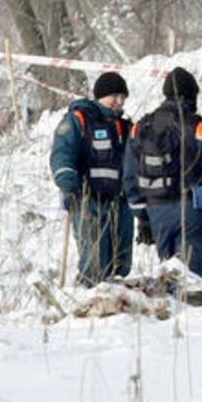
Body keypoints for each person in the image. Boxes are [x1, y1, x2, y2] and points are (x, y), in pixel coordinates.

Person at [126, 67, 202, 279]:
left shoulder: (140, 128)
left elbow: (130, 176)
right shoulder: (201, 129)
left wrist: (142, 217)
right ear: (191, 96)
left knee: (169, 276)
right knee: (192, 279)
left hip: (157, 211)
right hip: (194, 210)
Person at [49, 71, 135, 286]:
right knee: (95, 261)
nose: (118, 101)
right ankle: (87, 296)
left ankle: (115, 305)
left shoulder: (125, 128)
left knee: (120, 262)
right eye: (113, 96)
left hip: (120, 202)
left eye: (122, 97)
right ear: (100, 96)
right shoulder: (79, 119)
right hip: (89, 202)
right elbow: (62, 152)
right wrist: (67, 182)